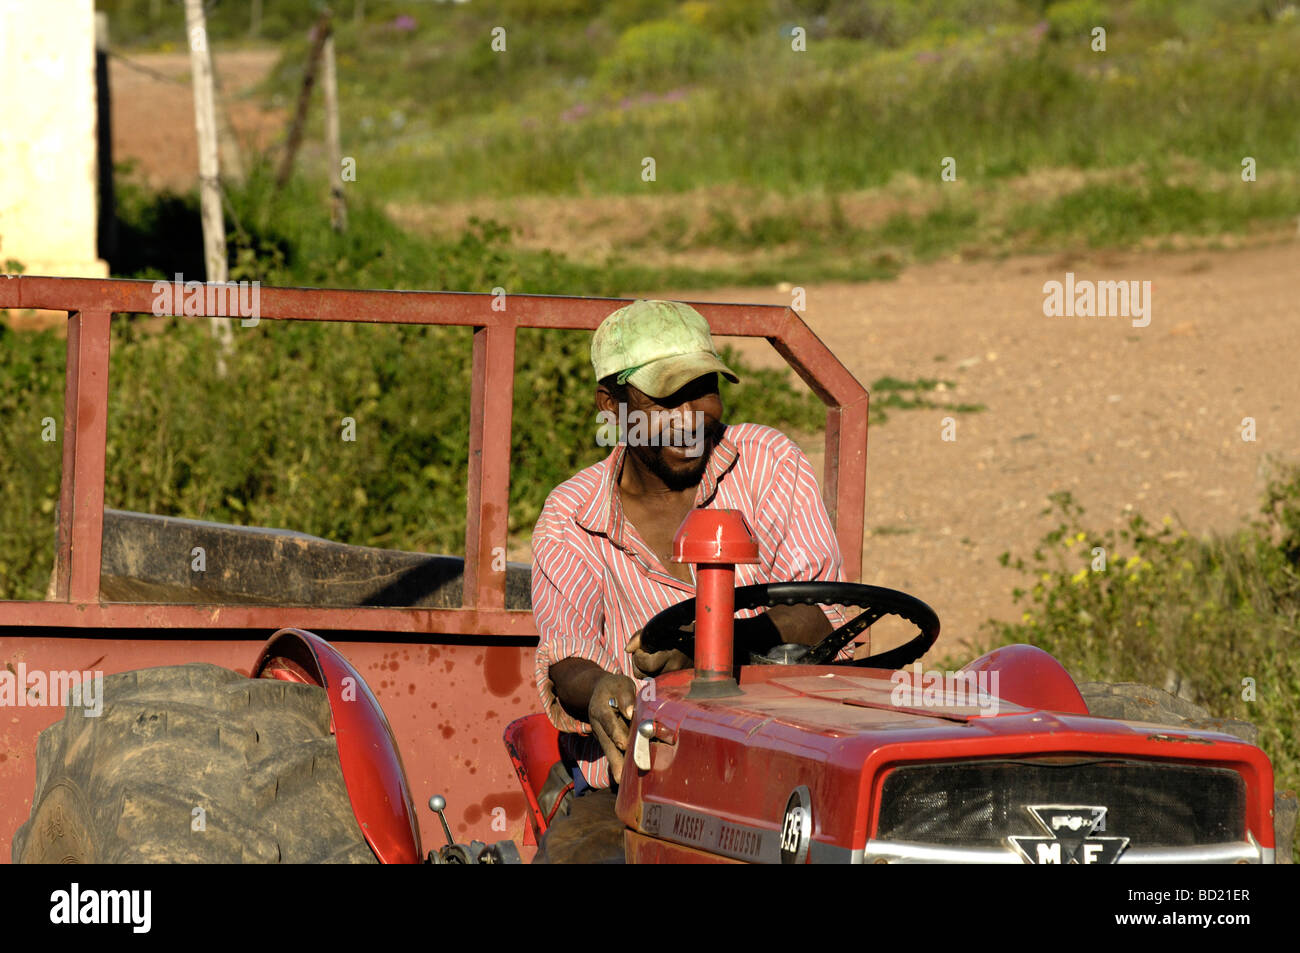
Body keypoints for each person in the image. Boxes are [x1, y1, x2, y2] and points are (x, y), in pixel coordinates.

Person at [529, 299, 850, 863]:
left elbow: (820, 613)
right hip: (635, 787)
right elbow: (568, 660)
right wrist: (603, 689)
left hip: (782, 772)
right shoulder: (572, 517)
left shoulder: (767, 464)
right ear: (612, 405)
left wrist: (709, 649)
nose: (692, 414)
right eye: (666, 397)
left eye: (704, 388)